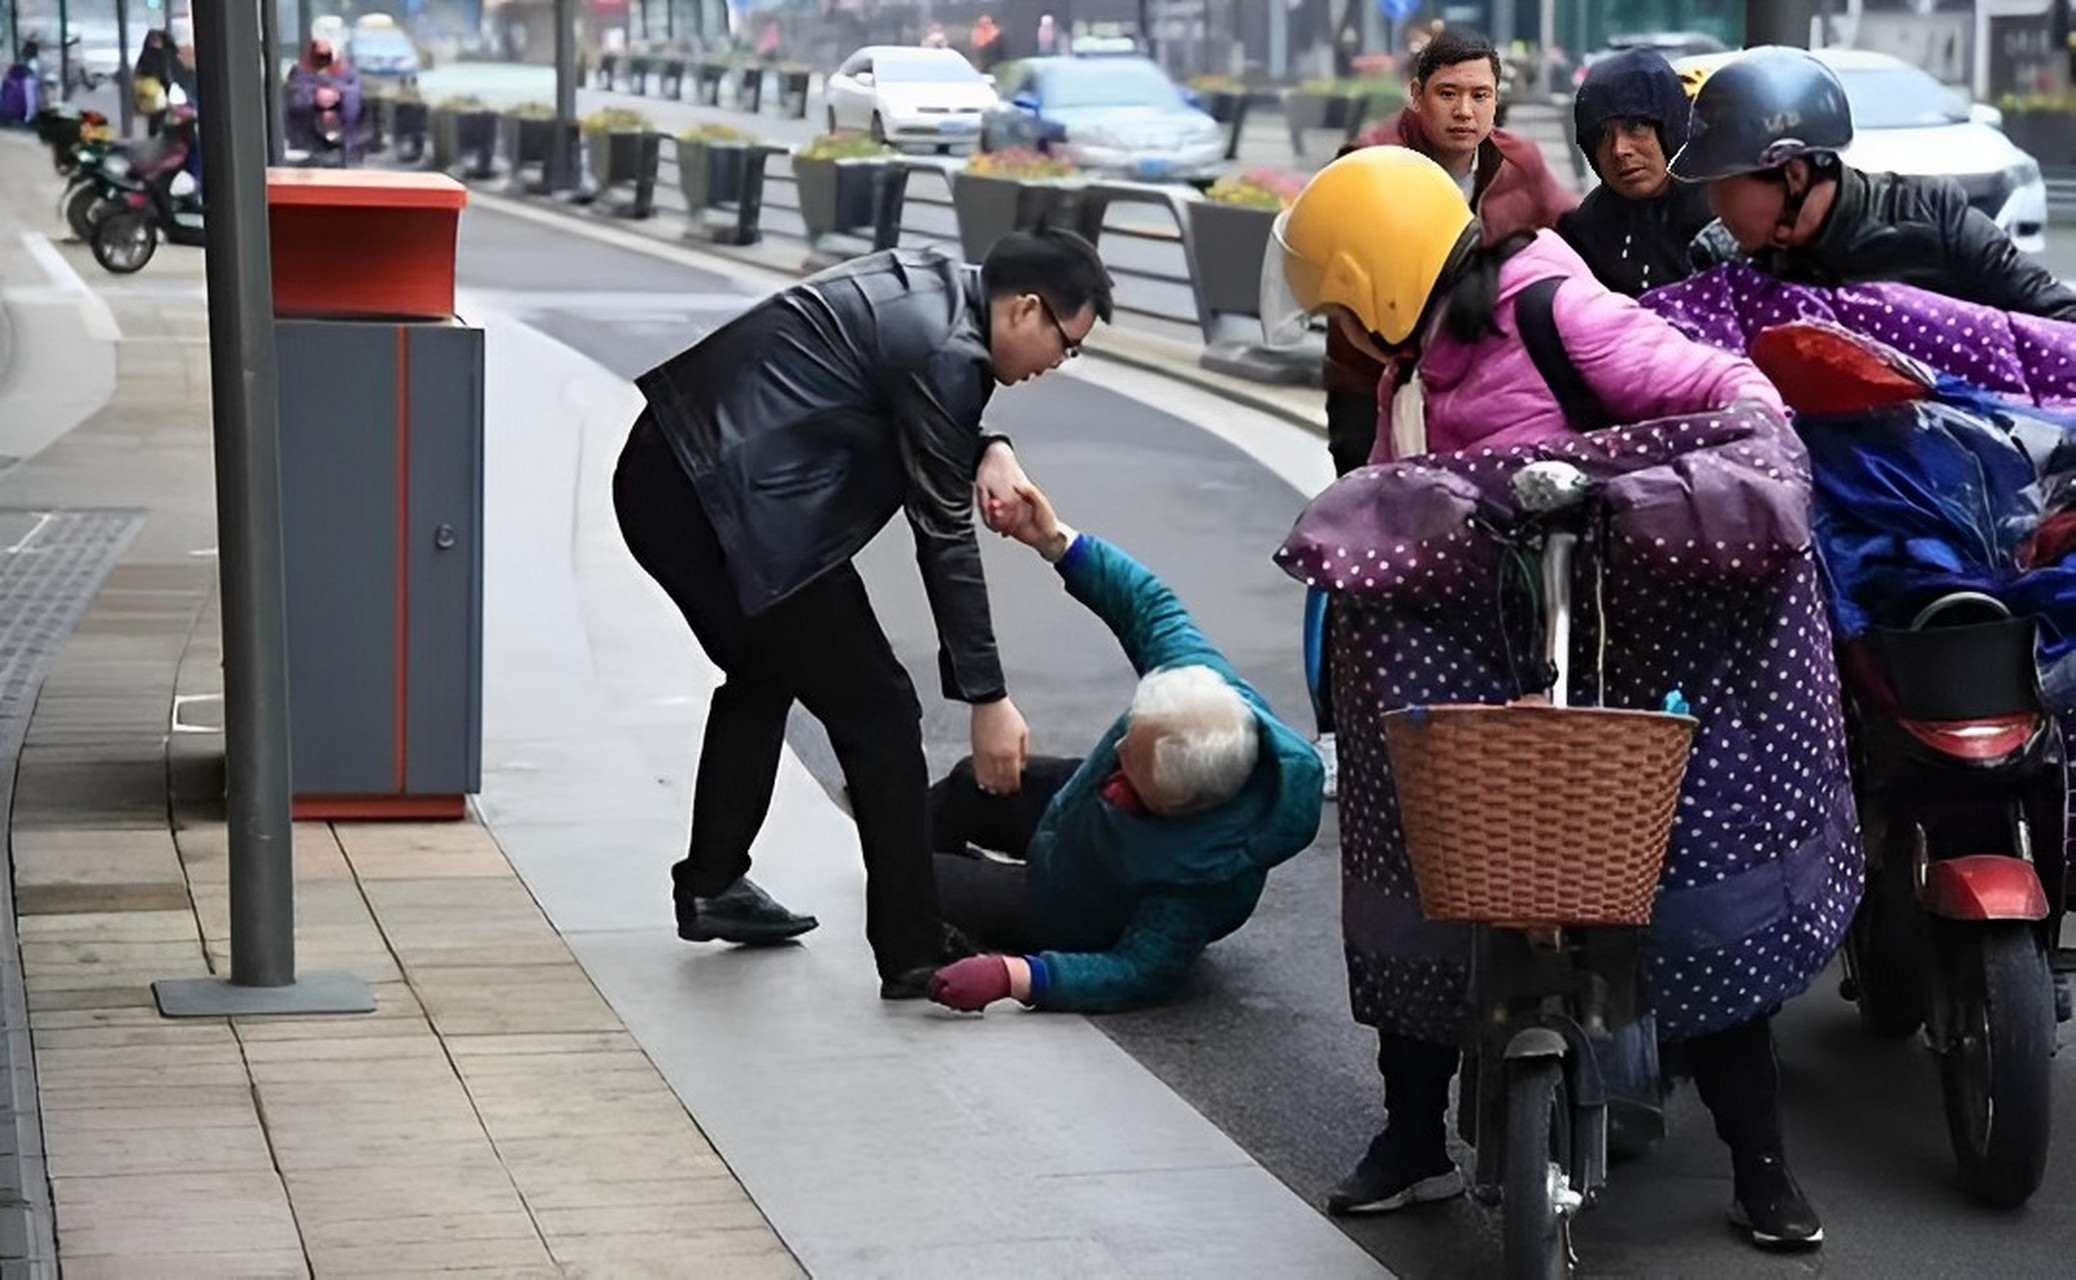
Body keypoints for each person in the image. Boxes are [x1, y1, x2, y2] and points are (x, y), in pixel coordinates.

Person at [1264, 147, 1858, 1251]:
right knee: (1431, 869)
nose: (1339, 330)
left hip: (1626, 644)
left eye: (1343, 302)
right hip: (1493, 656)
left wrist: (1649, 487)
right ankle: (1410, 1139)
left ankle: (1761, 1162)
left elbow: (1731, 393)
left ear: (1384, 280)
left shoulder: (1552, 305)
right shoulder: (1410, 373)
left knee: (1682, 880)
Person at [614, 229, 1113, 1000]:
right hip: (723, 505)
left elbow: (916, 408)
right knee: (878, 708)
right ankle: (913, 951)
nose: (1057, 364)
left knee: (765, 670)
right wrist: (986, 696)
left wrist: (990, 444)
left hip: (678, 474)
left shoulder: (941, 291)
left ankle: (714, 881)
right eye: (1066, 344)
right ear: (1025, 309)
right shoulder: (951, 350)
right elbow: (943, 531)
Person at [922, 481, 1325, 1014]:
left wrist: (1018, 977)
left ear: (1175, 806)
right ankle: (904, 838)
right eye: (1126, 739)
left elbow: (1137, 972)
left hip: (1075, 908)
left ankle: (945, 906)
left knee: (921, 884)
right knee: (968, 784)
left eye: (1128, 768)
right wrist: (1053, 539)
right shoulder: (1201, 685)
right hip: (1077, 820)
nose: (1116, 761)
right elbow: (1145, 603)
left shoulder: (1197, 882)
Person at [1324, 28, 1574, 477]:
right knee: (1369, 520)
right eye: (1448, 94)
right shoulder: (1369, 163)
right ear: (1417, 95)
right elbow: (1339, 281)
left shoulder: (1522, 164)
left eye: (1480, 95)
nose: (1464, 111)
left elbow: (1573, 242)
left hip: (1485, 386)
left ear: (1496, 100)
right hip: (1376, 378)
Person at [1675, 46, 2076, 321]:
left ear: (1793, 174)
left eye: (1724, 183)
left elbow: (2057, 322)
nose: (1714, 203)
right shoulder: (1718, 257)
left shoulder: (1934, 220)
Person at [1557, 48, 1714, 297]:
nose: (1619, 150)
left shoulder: (1723, 217)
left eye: (1636, 126)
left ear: (1669, 126)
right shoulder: (1585, 229)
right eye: (1602, 135)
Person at [283, 38, 361, 159]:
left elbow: (355, 96)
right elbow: (294, 98)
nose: (323, 60)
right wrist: (314, 96)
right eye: (319, 56)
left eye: (327, 55)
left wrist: (336, 94)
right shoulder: (299, 72)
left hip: (345, 145)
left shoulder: (347, 72)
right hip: (306, 144)